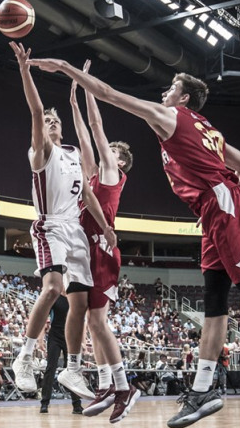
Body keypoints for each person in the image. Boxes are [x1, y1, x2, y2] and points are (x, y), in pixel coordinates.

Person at [27, 57, 240, 428]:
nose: (164, 92)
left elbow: (107, 94)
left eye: (171, 88)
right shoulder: (208, 129)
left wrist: (64, 67)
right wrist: (221, 202)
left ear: (183, 98)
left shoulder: (169, 117)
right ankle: (203, 388)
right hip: (216, 209)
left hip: (221, 207)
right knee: (215, 303)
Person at [7, 43, 117, 413]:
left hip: (77, 232)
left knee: (81, 304)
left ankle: (72, 369)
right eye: (49, 122)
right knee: (53, 287)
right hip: (50, 225)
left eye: (57, 121)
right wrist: (25, 69)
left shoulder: (71, 154)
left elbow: (89, 195)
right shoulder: (41, 152)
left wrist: (106, 228)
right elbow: (36, 109)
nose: (52, 123)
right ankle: (23, 357)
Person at [66, 59, 138, 422]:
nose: (107, 150)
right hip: (87, 246)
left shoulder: (113, 171)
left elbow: (96, 127)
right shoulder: (94, 173)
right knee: (94, 323)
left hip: (103, 249)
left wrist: (89, 85)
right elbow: (83, 139)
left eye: (113, 149)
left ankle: (123, 387)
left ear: (122, 160)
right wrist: (74, 102)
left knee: (98, 322)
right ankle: (109, 384)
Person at [39, 295, 82, 415]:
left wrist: (81, 341)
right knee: (50, 368)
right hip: (55, 337)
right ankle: (44, 403)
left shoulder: (75, 298)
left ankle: (77, 405)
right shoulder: (55, 298)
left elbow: (80, 321)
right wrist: (40, 339)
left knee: (73, 370)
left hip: (70, 337)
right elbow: (43, 317)